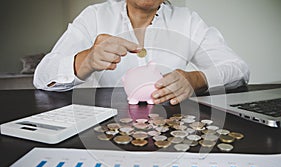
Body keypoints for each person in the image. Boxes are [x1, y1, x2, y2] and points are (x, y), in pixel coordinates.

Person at [33, 0, 249, 105]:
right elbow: (42, 76)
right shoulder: (94, 16)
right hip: (109, 127)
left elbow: (238, 69)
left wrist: (196, 78)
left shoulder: (188, 20)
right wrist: (87, 59)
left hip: (171, 123)